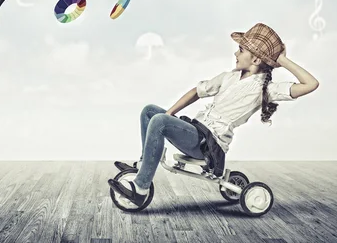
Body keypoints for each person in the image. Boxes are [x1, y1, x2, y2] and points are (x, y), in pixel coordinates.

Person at [108, 23, 320, 206]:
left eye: (241, 50)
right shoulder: (228, 77)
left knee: (159, 120)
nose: (235, 54)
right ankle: (144, 165)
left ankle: (140, 189)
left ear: (256, 59)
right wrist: (170, 114)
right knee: (150, 111)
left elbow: (311, 84)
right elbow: (196, 92)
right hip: (196, 130)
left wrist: (281, 60)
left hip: (208, 144)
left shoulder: (266, 89)